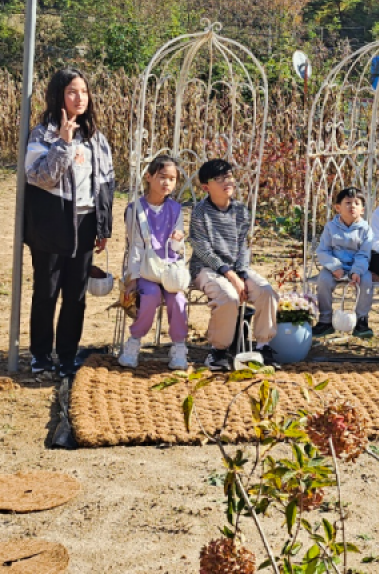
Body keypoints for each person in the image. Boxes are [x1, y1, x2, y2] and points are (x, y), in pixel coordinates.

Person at [24, 67, 114, 378]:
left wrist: (103, 226)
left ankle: (66, 356)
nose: (80, 98)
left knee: (76, 293)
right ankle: (40, 356)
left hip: (85, 221)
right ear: (58, 95)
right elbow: (40, 177)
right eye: (72, 92)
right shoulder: (42, 134)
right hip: (51, 222)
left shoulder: (96, 138)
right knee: (47, 291)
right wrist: (63, 143)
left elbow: (106, 182)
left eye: (84, 92)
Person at [190, 159, 278, 371]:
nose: (226, 182)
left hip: (236, 269)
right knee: (228, 296)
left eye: (228, 177)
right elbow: (203, 249)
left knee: (267, 292)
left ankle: (263, 346)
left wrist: (242, 273)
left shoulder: (240, 210)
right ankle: (218, 352)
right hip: (206, 268)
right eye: (218, 179)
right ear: (206, 187)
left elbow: (244, 246)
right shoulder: (200, 212)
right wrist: (232, 276)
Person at [118, 155, 189, 370]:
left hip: (169, 268)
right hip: (146, 269)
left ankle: (178, 346)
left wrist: (178, 242)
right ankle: (134, 341)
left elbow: (177, 249)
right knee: (149, 297)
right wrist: (132, 277)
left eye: (172, 179)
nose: (166, 183)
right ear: (149, 177)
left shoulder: (175, 209)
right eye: (161, 177)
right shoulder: (135, 209)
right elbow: (135, 246)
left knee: (177, 300)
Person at [312, 186, 374, 339]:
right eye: (347, 202)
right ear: (338, 207)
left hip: (357, 267)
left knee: (367, 281)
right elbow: (323, 251)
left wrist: (356, 271)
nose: (352, 206)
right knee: (324, 280)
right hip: (334, 266)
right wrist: (334, 267)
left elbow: (364, 253)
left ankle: (361, 320)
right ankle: (325, 320)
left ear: (362, 209)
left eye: (356, 203)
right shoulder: (331, 227)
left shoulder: (365, 229)